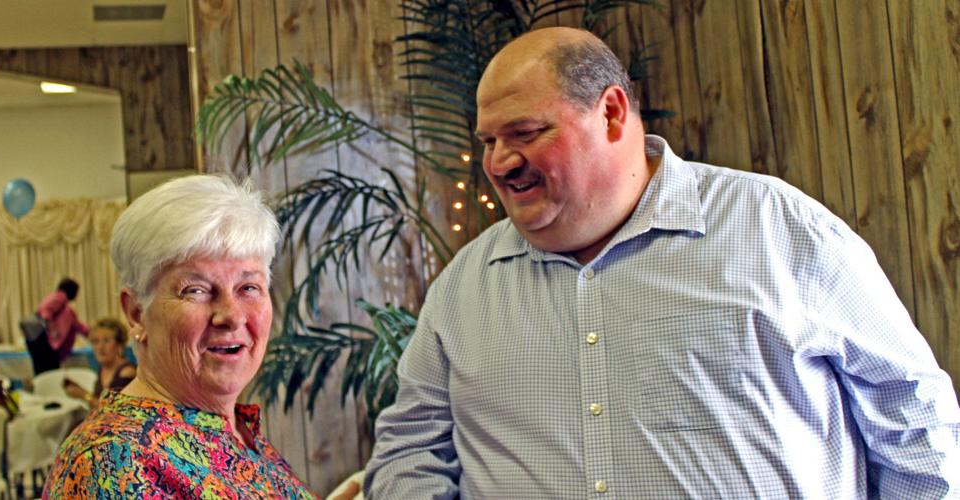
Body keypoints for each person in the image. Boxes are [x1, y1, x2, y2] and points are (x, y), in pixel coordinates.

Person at [364, 27, 960, 498]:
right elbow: (412, 448)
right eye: (488, 140)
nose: (498, 162)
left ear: (613, 113)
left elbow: (912, 414)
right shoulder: (465, 286)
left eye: (523, 132)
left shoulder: (776, 229)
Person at [44, 175, 317, 499]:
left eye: (249, 288)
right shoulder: (113, 462)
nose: (231, 315)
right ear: (135, 314)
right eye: (196, 290)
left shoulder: (232, 430)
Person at [63, 318, 135, 405]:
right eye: (96, 341)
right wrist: (78, 389)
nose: (100, 347)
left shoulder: (126, 372)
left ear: (119, 344)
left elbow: (112, 412)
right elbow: (98, 400)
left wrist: (83, 395)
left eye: (107, 341)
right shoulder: (103, 368)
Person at [26, 277, 89, 375]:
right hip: (45, 344)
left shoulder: (65, 307)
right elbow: (45, 312)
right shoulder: (59, 297)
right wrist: (53, 329)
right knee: (48, 373)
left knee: (48, 372)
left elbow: (77, 325)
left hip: (49, 346)